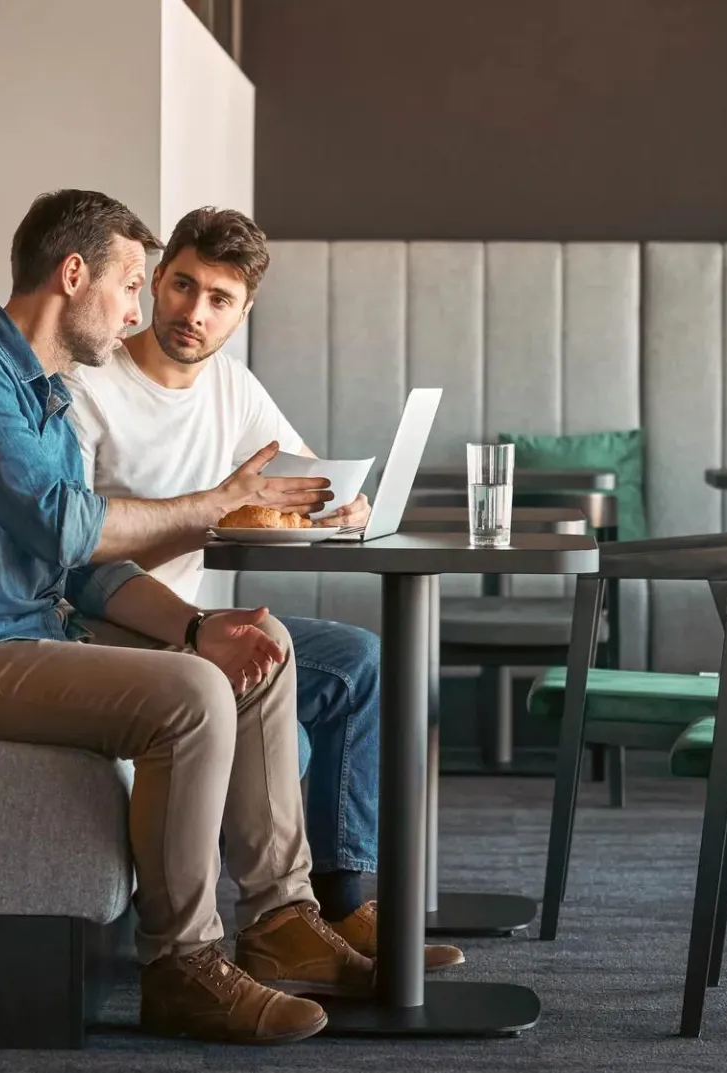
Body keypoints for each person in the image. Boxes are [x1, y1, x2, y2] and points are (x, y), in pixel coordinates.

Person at [0, 189, 372, 1046]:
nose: (137, 313)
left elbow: (77, 570)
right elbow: (63, 525)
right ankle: (181, 966)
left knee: (256, 646)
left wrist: (200, 629)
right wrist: (211, 508)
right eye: (132, 287)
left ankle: (278, 922)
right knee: (192, 698)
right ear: (73, 273)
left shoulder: (45, 393)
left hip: (19, 634)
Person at [65, 206, 464, 972]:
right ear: (157, 281)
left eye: (219, 299)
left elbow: (305, 478)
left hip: (192, 613)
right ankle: (274, 928)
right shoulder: (93, 384)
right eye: (182, 286)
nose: (193, 312)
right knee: (278, 662)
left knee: (358, 663)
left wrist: (350, 508)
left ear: (243, 312)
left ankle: (338, 910)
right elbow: (72, 549)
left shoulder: (232, 387)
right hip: (106, 620)